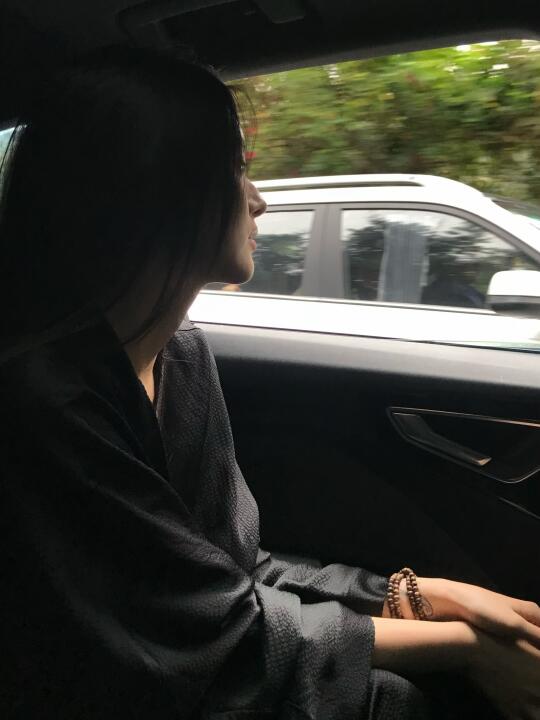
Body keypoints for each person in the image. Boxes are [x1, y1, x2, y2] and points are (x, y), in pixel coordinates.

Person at [0, 47, 539, 720]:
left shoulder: (182, 357)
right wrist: (464, 647)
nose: (258, 200)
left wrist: (417, 594)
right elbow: (212, 636)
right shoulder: (45, 402)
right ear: (157, 189)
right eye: (235, 169)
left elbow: (237, 569)